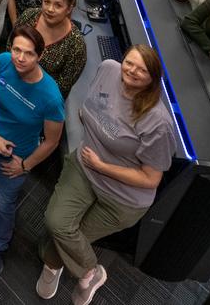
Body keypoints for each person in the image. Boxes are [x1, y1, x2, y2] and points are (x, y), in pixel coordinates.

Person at [36, 46, 172, 304]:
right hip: (87, 168)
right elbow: (93, 105)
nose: (131, 71)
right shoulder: (109, 69)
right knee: (57, 223)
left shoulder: (158, 123)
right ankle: (90, 270)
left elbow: (150, 179)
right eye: (129, 63)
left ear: (153, 77)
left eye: (142, 69)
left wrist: (102, 166)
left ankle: (51, 266)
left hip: (122, 197)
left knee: (73, 237)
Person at [0, 25, 65, 281]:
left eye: (28, 53)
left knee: (5, 204)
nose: (20, 58)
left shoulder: (50, 97)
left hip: (15, 156)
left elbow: (51, 142)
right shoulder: (3, 62)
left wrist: (24, 166)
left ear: (40, 56)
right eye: (16, 50)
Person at [14, 0, 87, 98]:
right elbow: (10, 46)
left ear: (69, 9)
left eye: (58, 5)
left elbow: (63, 87)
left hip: (40, 98)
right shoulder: (28, 16)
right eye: (46, 2)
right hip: (13, 82)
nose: (50, 9)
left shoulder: (76, 44)